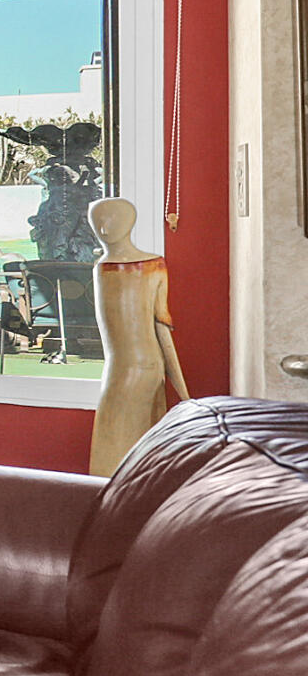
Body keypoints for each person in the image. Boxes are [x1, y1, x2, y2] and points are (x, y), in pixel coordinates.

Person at [89, 197, 190, 475]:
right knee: (126, 454)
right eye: (96, 220)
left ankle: (112, 511)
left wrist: (184, 392)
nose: (103, 227)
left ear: (128, 223)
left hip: (142, 368)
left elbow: (161, 327)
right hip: (119, 369)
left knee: (116, 457)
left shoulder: (153, 266)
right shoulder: (101, 267)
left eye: (109, 219)